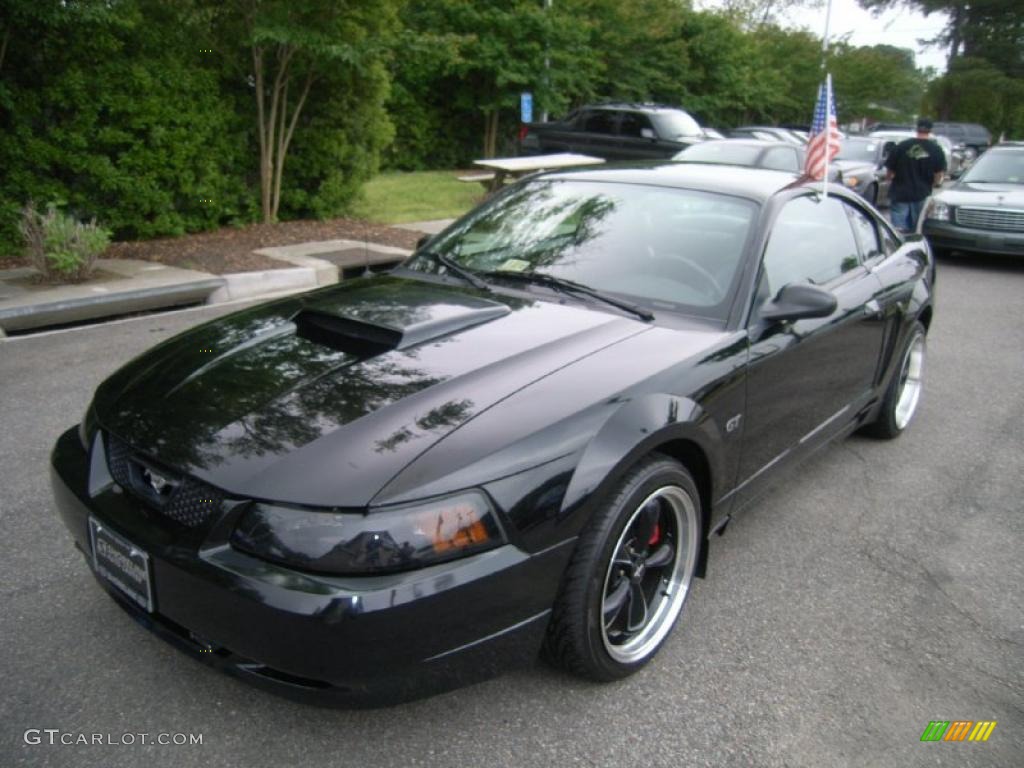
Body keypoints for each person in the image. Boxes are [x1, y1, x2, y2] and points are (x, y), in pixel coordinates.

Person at [885, 118, 947, 233]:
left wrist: (889, 179)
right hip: (922, 193)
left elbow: (890, 169)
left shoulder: (902, 146)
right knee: (917, 226)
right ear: (930, 130)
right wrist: (934, 183)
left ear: (917, 128)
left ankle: (899, 244)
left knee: (898, 229)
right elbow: (939, 174)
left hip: (900, 191)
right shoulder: (936, 150)